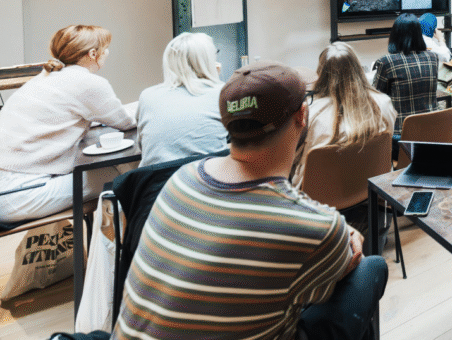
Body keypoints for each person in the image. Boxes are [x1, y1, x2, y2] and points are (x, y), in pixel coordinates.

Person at [111, 61, 388, 340]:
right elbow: (347, 261)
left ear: (226, 121)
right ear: (303, 115)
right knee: (370, 268)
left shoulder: (182, 177)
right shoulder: (315, 229)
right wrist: (339, 230)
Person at [0, 25, 135, 222]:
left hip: (9, 186)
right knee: (128, 174)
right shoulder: (87, 83)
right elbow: (126, 122)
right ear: (93, 54)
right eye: (105, 48)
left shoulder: (45, 78)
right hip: (19, 195)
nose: (108, 52)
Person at [292, 41, 397, 188]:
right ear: (358, 69)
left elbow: (292, 156)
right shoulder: (384, 103)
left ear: (321, 73)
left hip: (320, 194)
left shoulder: (309, 111)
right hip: (373, 187)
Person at [137, 32, 227, 167]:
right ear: (208, 61)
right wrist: (215, 80)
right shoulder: (223, 93)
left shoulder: (147, 96)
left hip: (156, 184)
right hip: (207, 182)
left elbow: (143, 146)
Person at [373, 13, 440, 134]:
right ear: (419, 34)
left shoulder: (386, 62)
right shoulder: (433, 58)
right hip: (431, 130)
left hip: (400, 133)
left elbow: (375, 98)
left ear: (395, 35)